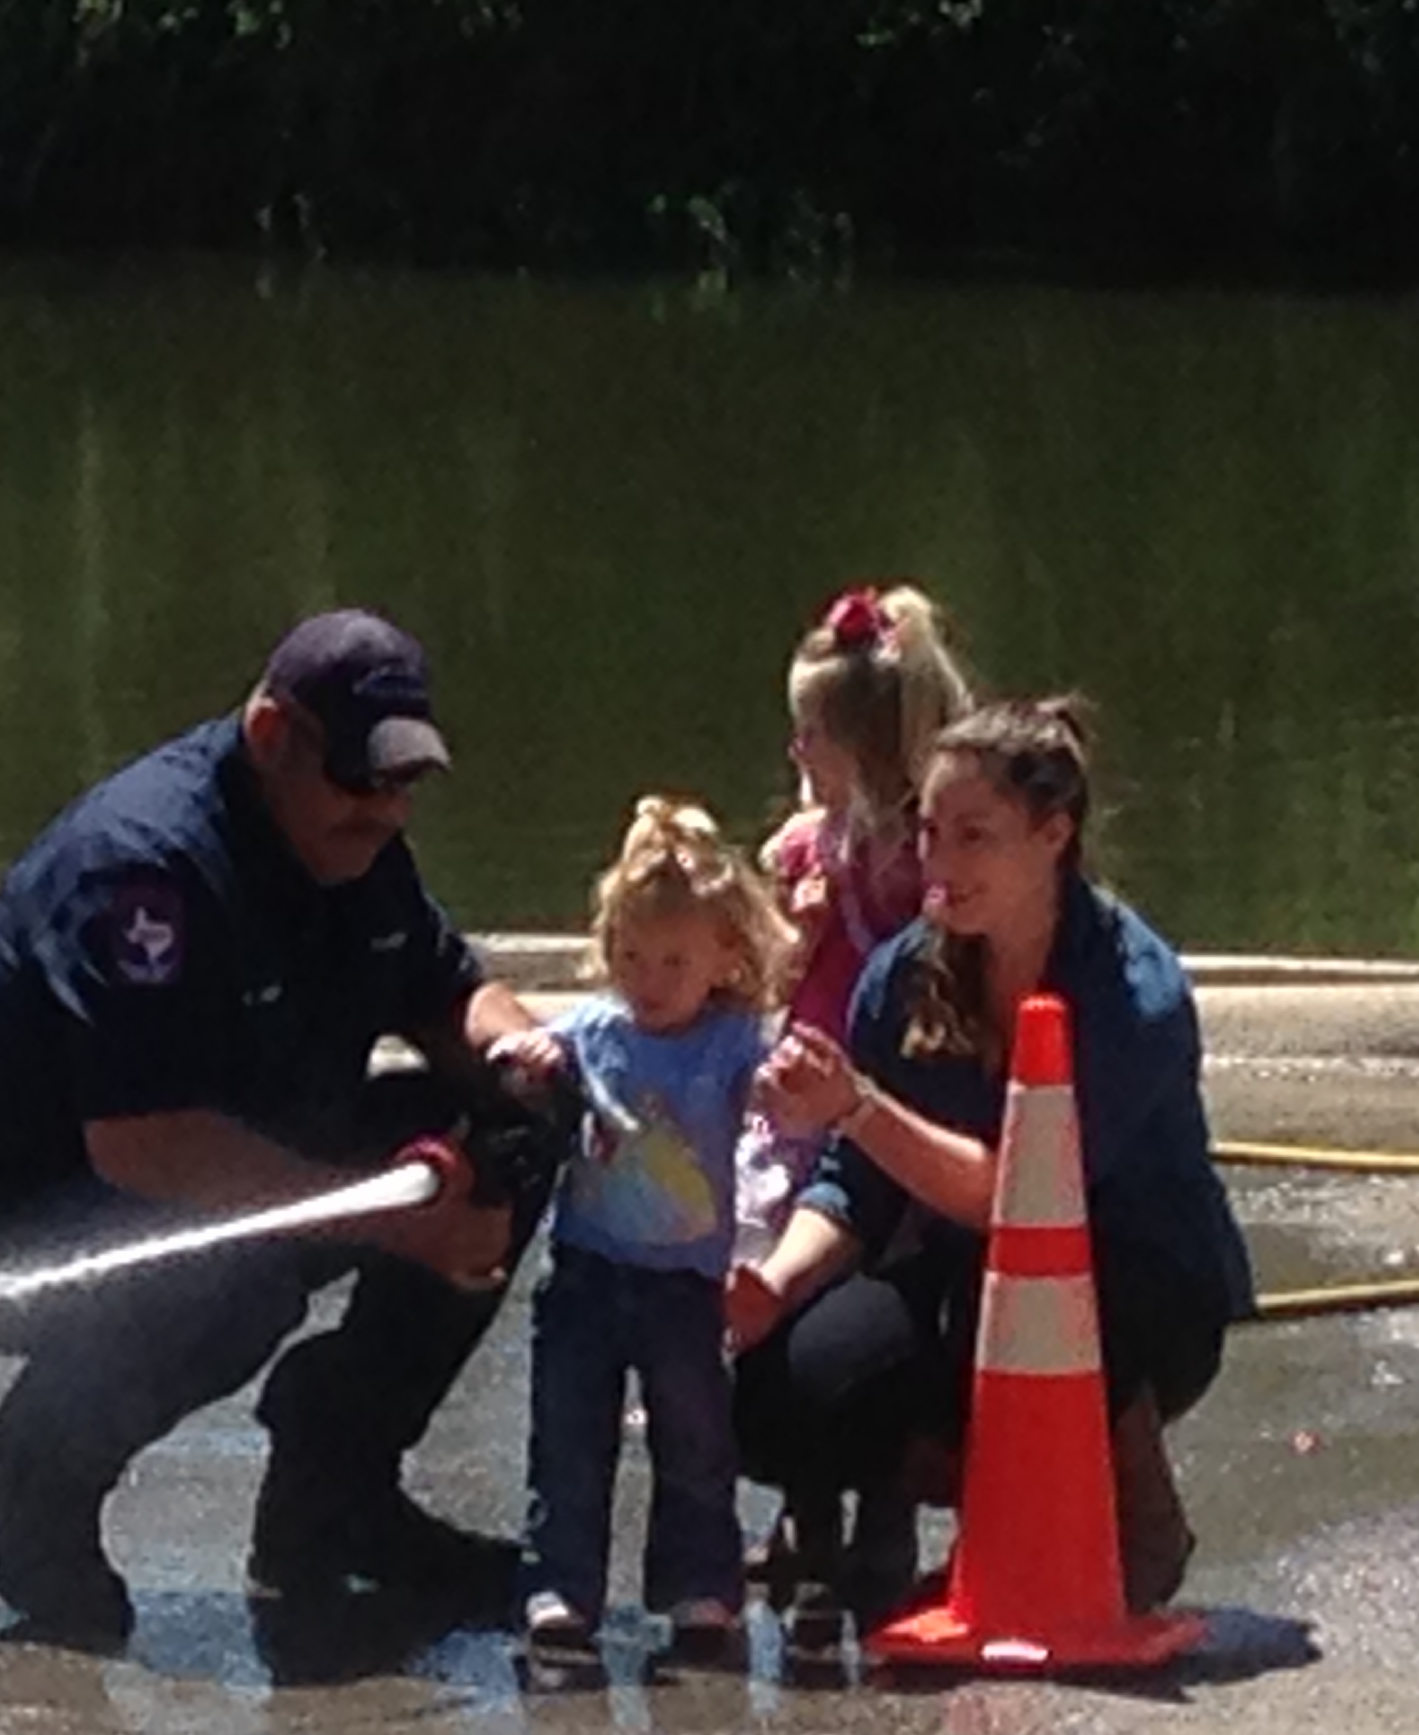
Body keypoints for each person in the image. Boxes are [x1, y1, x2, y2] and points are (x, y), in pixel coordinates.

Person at [0, 609, 554, 1647]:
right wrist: (400, 1223)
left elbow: (447, 989)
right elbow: (148, 1145)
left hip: (219, 1165)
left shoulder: (357, 845)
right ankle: (38, 1478)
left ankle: (333, 1504)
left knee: (510, 1140)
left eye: (402, 785)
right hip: (5, 1222)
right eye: (360, 781)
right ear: (274, 735)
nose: (385, 811)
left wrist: (526, 1060)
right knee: (237, 1282)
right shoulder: (143, 868)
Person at [724, 697, 1255, 1617]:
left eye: (975, 837)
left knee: (1001, 1299)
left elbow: (1024, 1199)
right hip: (969, 1270)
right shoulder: (901, 975)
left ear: (1054, 835)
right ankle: (959, 1506)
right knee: (775, 1397)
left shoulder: (1133, 987)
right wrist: (774, 1283)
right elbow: (856, 1183)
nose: (941, 862)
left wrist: (856, 1105)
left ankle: (1124, 1522)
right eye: (931, 833)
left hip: (1139, 1285)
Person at [495, 798, 791, 1655]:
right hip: (587, 1270)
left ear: (725, 957)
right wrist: (528, 1063)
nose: (648, 979)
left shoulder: (733, 1041)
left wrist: (784, 1088)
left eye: (672, 962)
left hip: (685, 1282)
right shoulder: (593, 1030)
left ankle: (700, 1583)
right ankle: (560, 1583)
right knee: (568, 1436)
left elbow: (773, 1090)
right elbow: (532, 1057)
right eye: (630, 956)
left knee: (695, 1438)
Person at [735, 581, 973, 1603]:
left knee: (872, 1288)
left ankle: (881, 1507)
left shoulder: (923, 863)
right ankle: (803, 1506)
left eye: (812, 735)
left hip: (882, 1107)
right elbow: (775, 980)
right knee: (779, 1272)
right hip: (803, 1104)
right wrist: (790, 927)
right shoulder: (811, 849)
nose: (796, 752)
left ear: (869, 751)